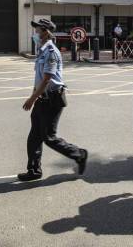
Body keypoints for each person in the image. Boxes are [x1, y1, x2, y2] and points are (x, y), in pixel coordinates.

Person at [18, 19, 88, 181]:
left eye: (37, 30)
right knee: (34, 136)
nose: (35, 33)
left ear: (45, 31)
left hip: (52, 99)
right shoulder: (42, 51)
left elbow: (47, 79)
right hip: (41, 99)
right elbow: (39, 79)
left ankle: (79, 154)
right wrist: (34, 96)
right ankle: (34, 170)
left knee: (49, 137)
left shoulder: (51, 52)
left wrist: (31, 99)